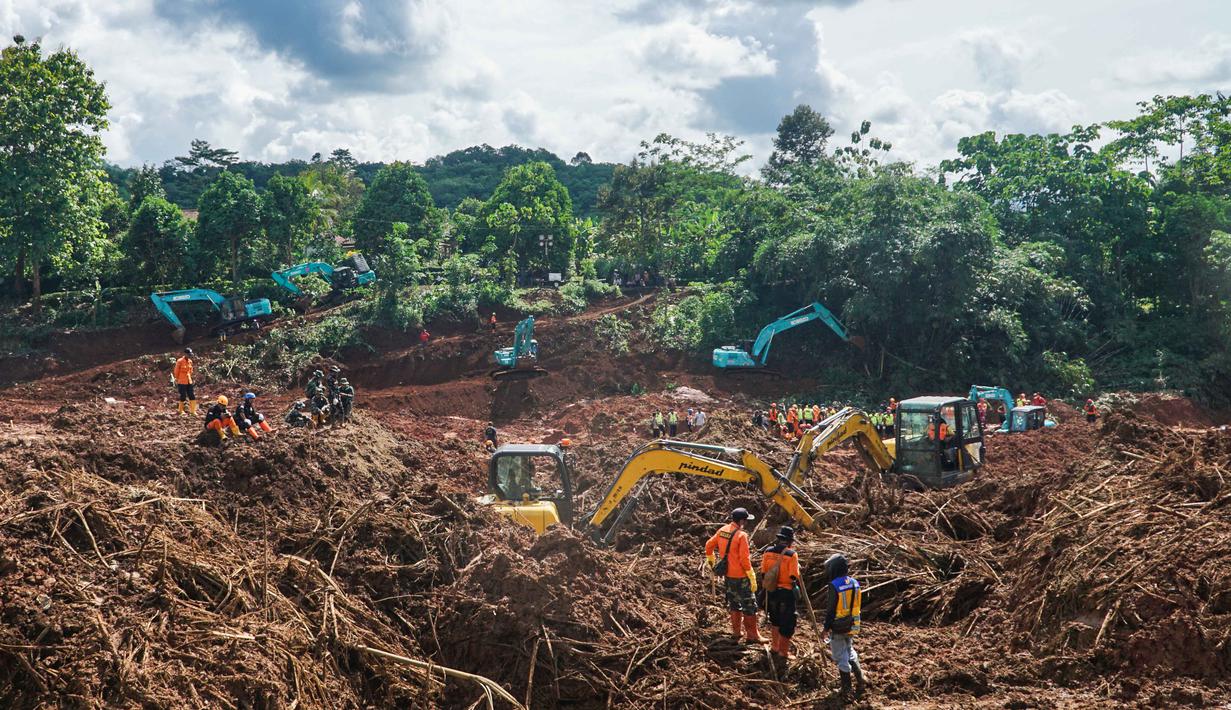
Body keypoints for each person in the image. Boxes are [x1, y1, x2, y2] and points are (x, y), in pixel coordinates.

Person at [705, 508, 765, 644]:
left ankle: (737, 632)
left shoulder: (722, 530)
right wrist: (751, 575)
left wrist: (711, 559)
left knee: (734, 604)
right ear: (742, 521)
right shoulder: (741, 535)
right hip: (741, 577)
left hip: (728, 576)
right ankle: (752, 636)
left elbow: (709, 545)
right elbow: (744, 559)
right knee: (749, 606)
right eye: (746, 521)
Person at [823, 553, 866, 700]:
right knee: (850, 650)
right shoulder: (854, 582)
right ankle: (861, 679)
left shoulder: (834, 585)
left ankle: (846, 689)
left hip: (838, 625)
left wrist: (825, 628)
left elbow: (830, 610)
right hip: (853, 623)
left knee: (840, 656)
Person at [760, 526, 801, 659]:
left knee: (775, 620)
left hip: (771, 592)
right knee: (787, 623)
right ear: (790, 541)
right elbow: (793, 576)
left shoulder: (767, 552)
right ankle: (783, 652)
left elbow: (763, 572)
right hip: (786, 593)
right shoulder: (791, 554)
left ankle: (775, 647)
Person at [173, 348, 197, 415]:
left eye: (190, 354)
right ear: (185, 354)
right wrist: (178, 379)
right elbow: (176, 372)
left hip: (189, 381)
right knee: (183, 396)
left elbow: (190, 371)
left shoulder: (190, 361)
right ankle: (180, 411)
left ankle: (193, 411)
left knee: (192, 395)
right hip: (181, 382)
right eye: (189, 354)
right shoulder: (180, 361)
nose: (190, 356)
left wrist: (189, 378)